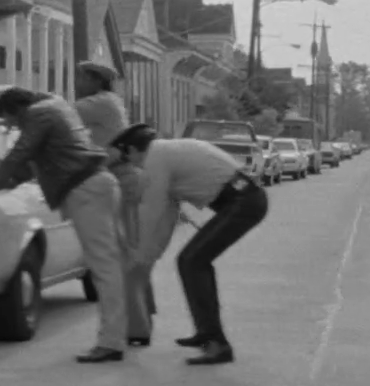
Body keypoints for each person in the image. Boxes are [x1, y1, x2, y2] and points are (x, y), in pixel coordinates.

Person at [0, 87, 129, 363]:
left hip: (84, 189)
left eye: (12, 121)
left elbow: (20, 154)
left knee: (104, 266)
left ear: (19, 109)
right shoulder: (55, 108)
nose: (13, 127)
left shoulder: (38, 115)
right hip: (97, 185)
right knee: (112, 262)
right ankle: (124, 331)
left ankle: (111, 341)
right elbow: (28, 167)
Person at [111, 122, 268, 366]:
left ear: (133, 149)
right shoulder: (165, 153)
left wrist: (140, 255)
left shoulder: (156, 158)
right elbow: (167, 214)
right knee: (189, 261)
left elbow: (151, 211)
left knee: (193, 261)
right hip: (243, 199)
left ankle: (217, 343)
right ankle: (207, 333)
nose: (132, 165)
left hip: (243, 201)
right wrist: (149, 255)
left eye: (127, 157)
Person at [73, 60, 154, 347]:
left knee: (125, 257)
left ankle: (137, 327)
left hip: (121, 180)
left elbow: (59, 113)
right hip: (119, 179)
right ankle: (140, 324)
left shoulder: (99, 103)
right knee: (128, 255)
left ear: (96, 81)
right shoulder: (107, 101)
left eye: (81, 78)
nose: (77, 83)